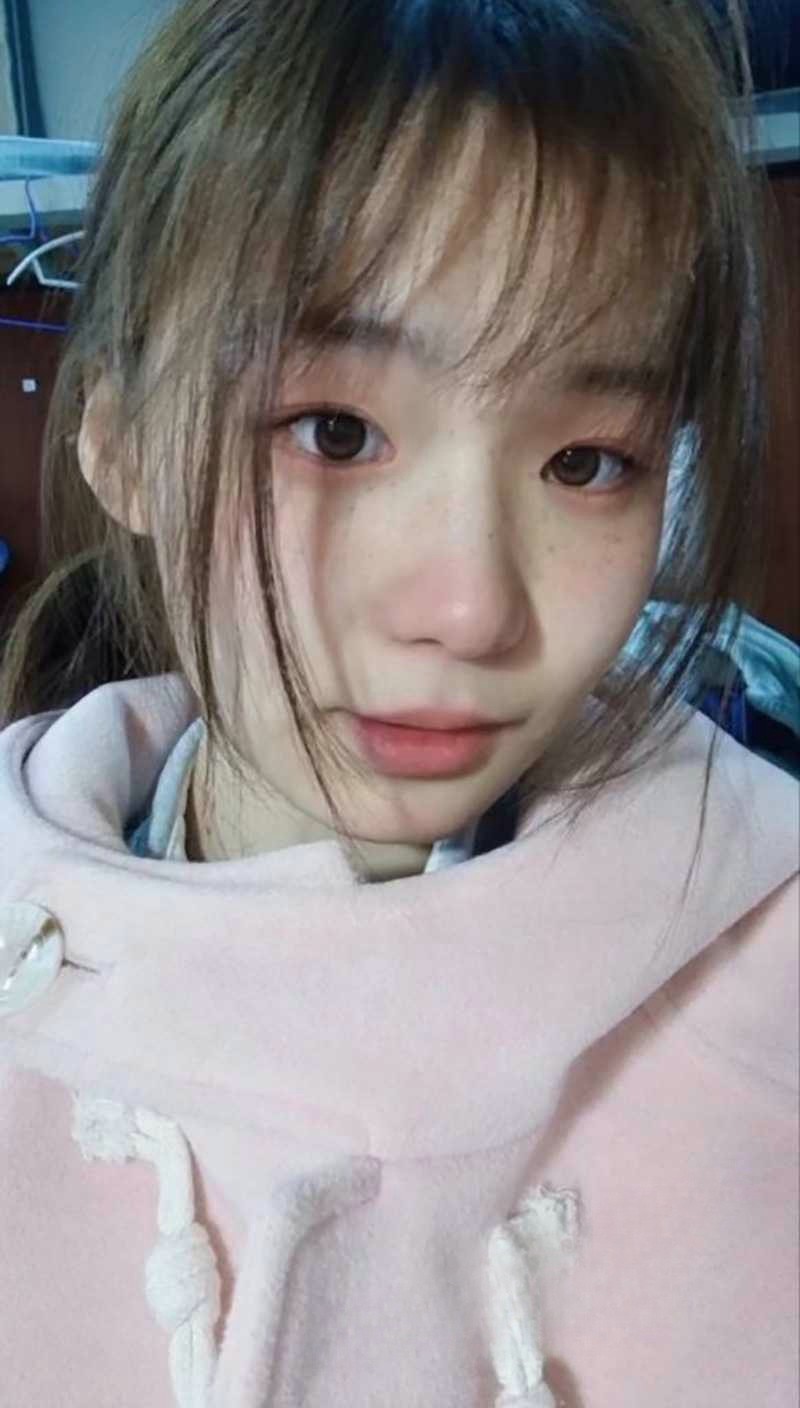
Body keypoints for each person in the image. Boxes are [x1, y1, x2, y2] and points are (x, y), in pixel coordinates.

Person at [0, 1, 797, 1405]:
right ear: (119, 444)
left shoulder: (762, 971)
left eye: (587, 462)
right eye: (336, 432)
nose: (473, 610)